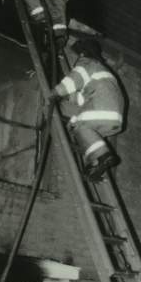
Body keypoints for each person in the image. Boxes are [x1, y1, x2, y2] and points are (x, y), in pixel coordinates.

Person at [50, 37, 124, 182]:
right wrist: (69, 100)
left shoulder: (87, 63)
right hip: (114, 116)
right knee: (86, 137)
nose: (78, 57)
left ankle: (103, 156)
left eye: (79, 54)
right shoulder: (102, 70)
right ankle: (96, 167)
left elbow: (72, 80)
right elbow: (84, 99)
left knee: (79, 126)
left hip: (102, 108)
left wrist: (55, 92)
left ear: (84, 53)